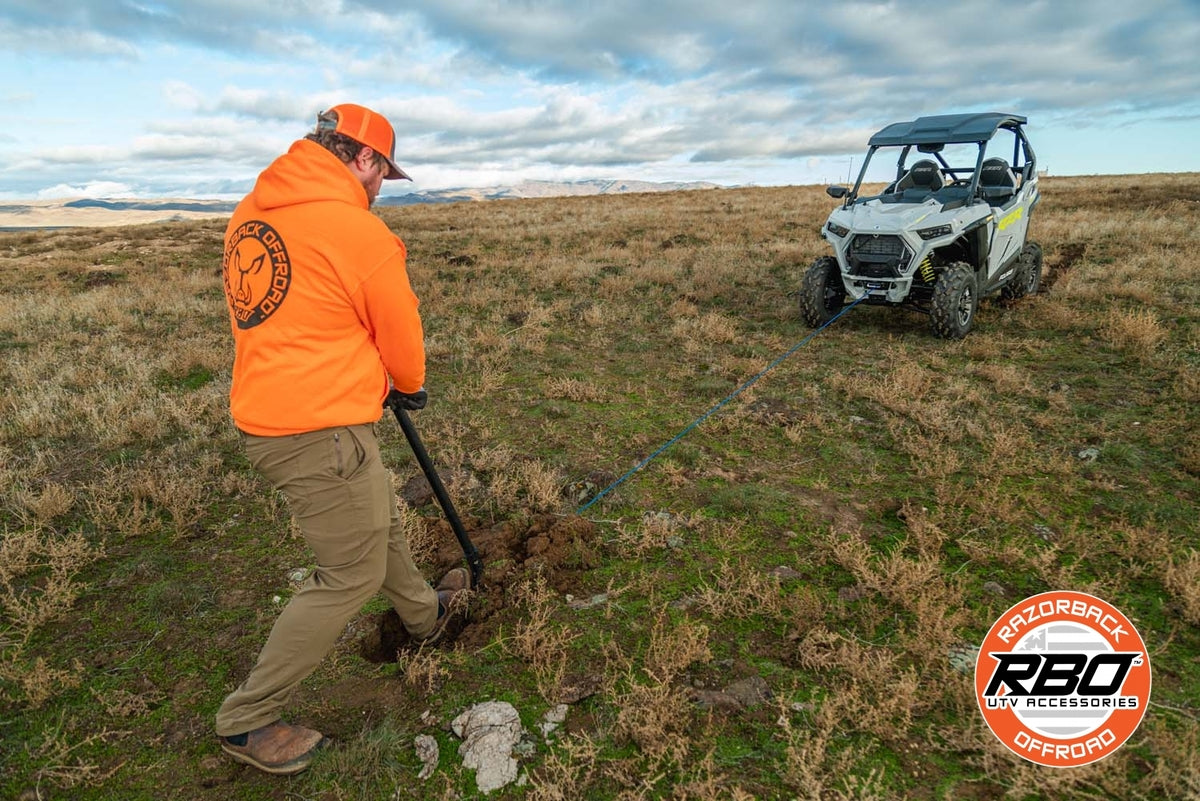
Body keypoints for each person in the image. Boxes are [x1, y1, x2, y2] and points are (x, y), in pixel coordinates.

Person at [215, 103, 470, 776]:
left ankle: (424, 619)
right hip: (317, 429)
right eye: (382, 171)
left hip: (271, 416)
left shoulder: (251, 211)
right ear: (365, 159)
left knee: (377, 519)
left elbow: (291, 314)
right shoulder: (357, 231)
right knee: (348, 573)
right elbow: (403, 339)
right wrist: (404, 381)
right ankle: (247, 720)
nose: (381, 186)